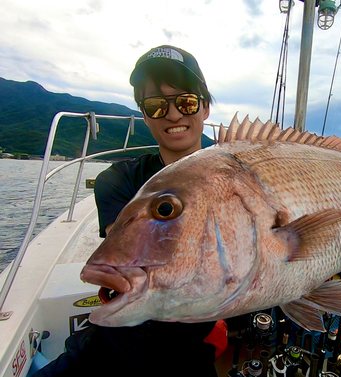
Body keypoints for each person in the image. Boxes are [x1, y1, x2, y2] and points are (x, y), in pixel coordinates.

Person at [34, 45, 223, 377]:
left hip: (190, 353)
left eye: (186, 102)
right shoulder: (119, 180)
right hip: (109, 348)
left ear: (205, 108)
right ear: (144, 115)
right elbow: (135, 264)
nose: (174, 114)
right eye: (155, 106)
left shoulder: (234, 178)